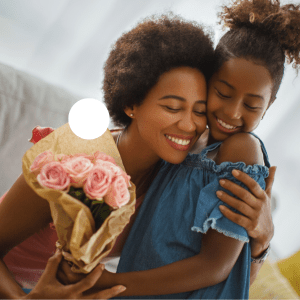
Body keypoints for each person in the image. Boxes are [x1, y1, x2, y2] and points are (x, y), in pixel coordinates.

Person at [0, 14, 275, 300]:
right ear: (131, 103)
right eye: (172, 107)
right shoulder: (72, 159)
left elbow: (215, 275)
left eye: (199, 111)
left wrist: (260, 242)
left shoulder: (173, 175)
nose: (188, 125)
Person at [58, 1, 300, 298]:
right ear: (207, 80)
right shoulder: (184, 144)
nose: (233, 113)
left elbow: (216, 268)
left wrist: (108, 284)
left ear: (270, 104)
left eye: (251, 105)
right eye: (222, 93)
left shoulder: (242, 149)